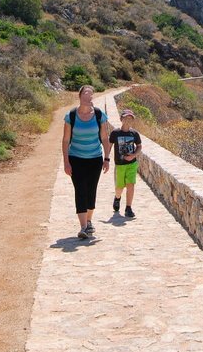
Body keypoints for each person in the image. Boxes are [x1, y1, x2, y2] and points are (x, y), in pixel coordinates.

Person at [61, 85, 110, 240]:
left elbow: (104, 138)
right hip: (76, 159)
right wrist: (66, 162)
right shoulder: (71, 115)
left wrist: (107, 158)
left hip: (95, 159)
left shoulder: (98, 115)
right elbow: (66, 139)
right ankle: (83, 227)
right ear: (80, 96)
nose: (88, 97)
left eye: (91, 94)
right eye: (85, 94)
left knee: (91, 191)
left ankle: (88, 221)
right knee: (80, 190)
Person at [110, 109, 142, 219]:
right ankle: (117, 198)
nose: (128, 120)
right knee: (119, 187)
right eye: (126, 118)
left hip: (132, 164)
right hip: (120, 164)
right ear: (121, 119)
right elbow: (109, 146)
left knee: (130, 185)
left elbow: (139, 146)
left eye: (130, 118)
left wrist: (133, 156)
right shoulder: (115, 133)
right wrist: (105, 159)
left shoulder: (134, 133)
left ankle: (128, 208)